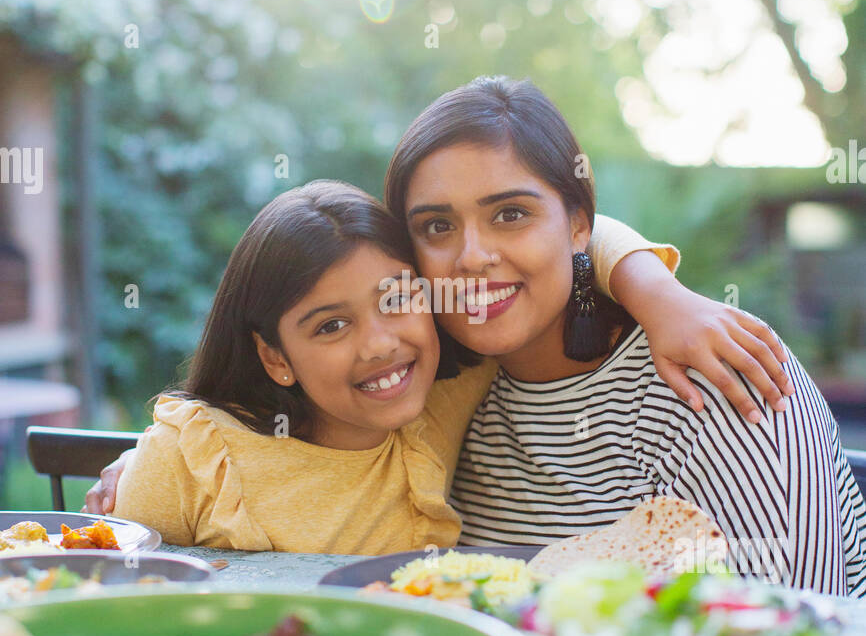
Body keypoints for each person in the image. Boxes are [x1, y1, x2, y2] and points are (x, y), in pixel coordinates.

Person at [383, 76, 866, 596]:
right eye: (436, 226)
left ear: (577, 225)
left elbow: (791, 631)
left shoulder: (714, 375)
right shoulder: (436, 394)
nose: (472, 256)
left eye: (511, 214)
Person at [109, 179, 679, 552]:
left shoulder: (439, 394)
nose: (380, 344)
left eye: (395, 299)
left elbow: (570, 229)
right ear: (274, 357)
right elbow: (113, 617)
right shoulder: (190, 459)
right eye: (331, 326)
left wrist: (657, 293)